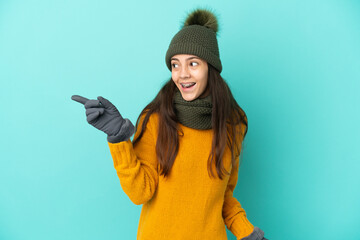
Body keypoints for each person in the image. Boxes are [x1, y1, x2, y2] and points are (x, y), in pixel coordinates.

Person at [72, 8, 268, 240]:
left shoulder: (233, 126)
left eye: (193, 64)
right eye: (175, 65)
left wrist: (248, 233)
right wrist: (119, 139)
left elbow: (222, 197)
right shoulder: (156, 118)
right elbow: (140, 192)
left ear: (211, 68)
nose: (182, 74)